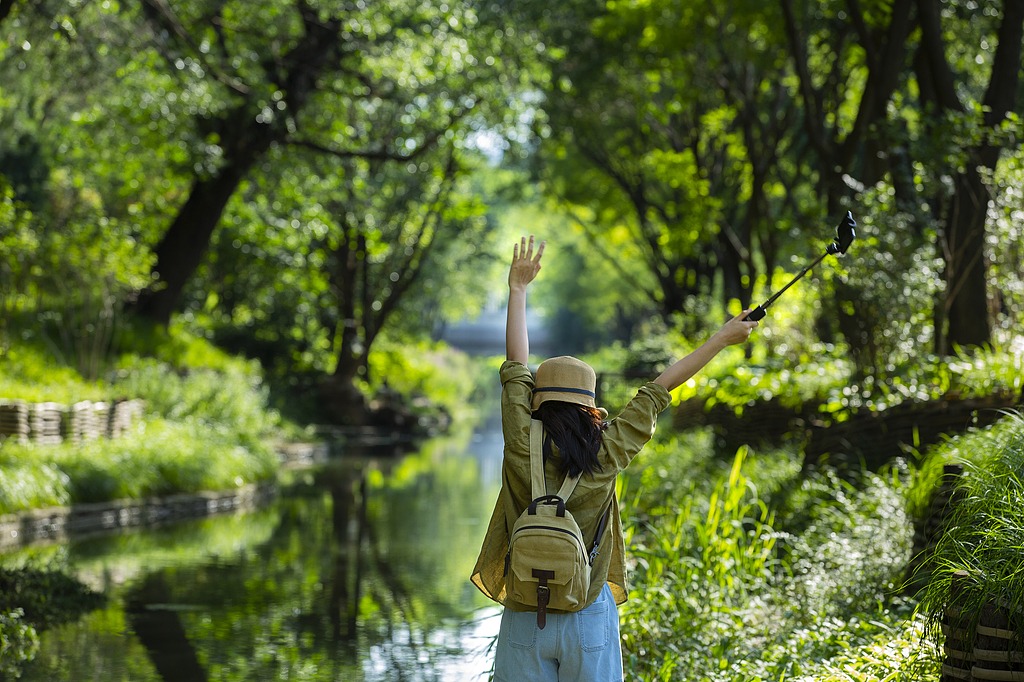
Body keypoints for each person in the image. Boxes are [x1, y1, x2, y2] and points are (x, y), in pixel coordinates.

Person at [471, 235, 759, 681]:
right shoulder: (607, 448)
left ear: (537, 402)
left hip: (525, 612)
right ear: (591, 408)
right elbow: (658, 390)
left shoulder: (519, 438)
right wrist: (721, 338)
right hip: (587, 612)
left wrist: (518, 289)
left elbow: (515, 364)